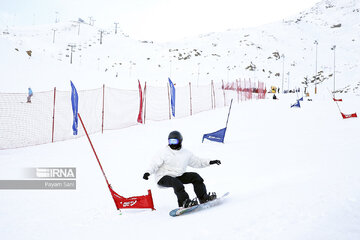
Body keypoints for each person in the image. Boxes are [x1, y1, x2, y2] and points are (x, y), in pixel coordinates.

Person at [143, 130, 221, 208]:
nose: (172, 144)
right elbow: (154, 164)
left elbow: (197, 162)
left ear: (180, 141)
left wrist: (210, 162)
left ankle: (203, 198)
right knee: (176, 183)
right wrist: (148, 172)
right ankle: (185, 202)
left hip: (177, 175)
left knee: (195, 177)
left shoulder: (186, 153)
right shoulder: (163, 152)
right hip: (162, 177)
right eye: (170, 141)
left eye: (174, 141)